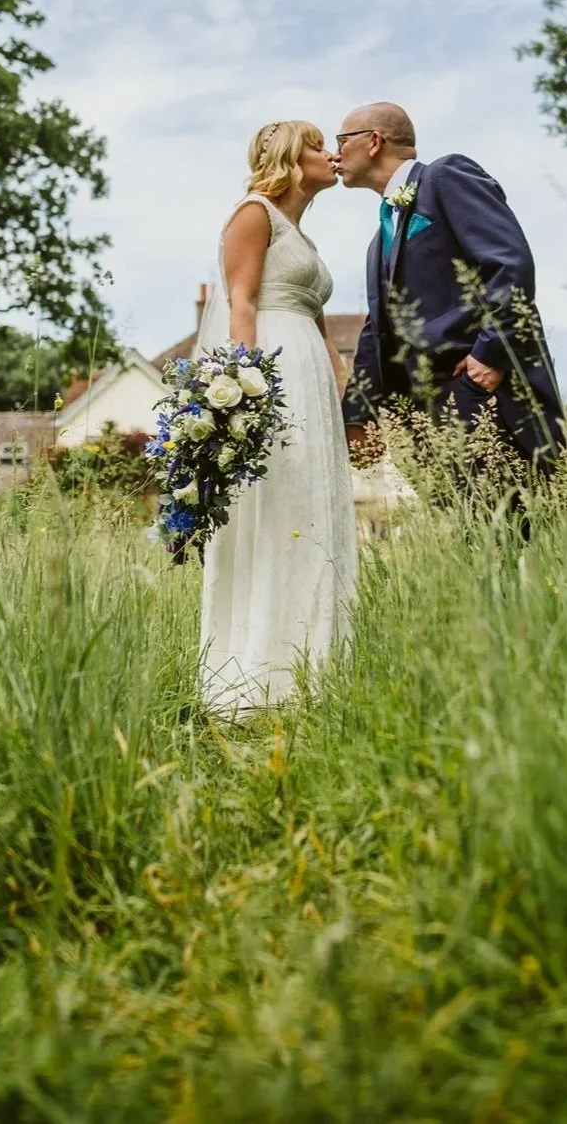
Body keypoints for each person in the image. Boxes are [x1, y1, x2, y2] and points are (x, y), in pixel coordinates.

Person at [196, 120, 358, 716]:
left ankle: (315, 671)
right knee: (277, 508)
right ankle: (256, 678)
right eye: (317, 146)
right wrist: (244, 386)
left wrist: (342, 382)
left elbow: (318, 322)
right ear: (291, 158)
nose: (332, 154)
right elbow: (240, 301)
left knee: (312, 507)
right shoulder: (253, 213)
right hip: (274, 371)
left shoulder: (303, 237)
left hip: (312, 380)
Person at [334, 101, 565, 488]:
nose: (335, 154)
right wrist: (358, 413)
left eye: (342, 140)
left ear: (374, 141)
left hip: (484, 394)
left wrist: (490, 355)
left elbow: (509, 264)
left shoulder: (445, 177)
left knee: (520, 515)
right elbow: (378, 330)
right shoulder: (378, 244)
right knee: (461, 523)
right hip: (424, 420)